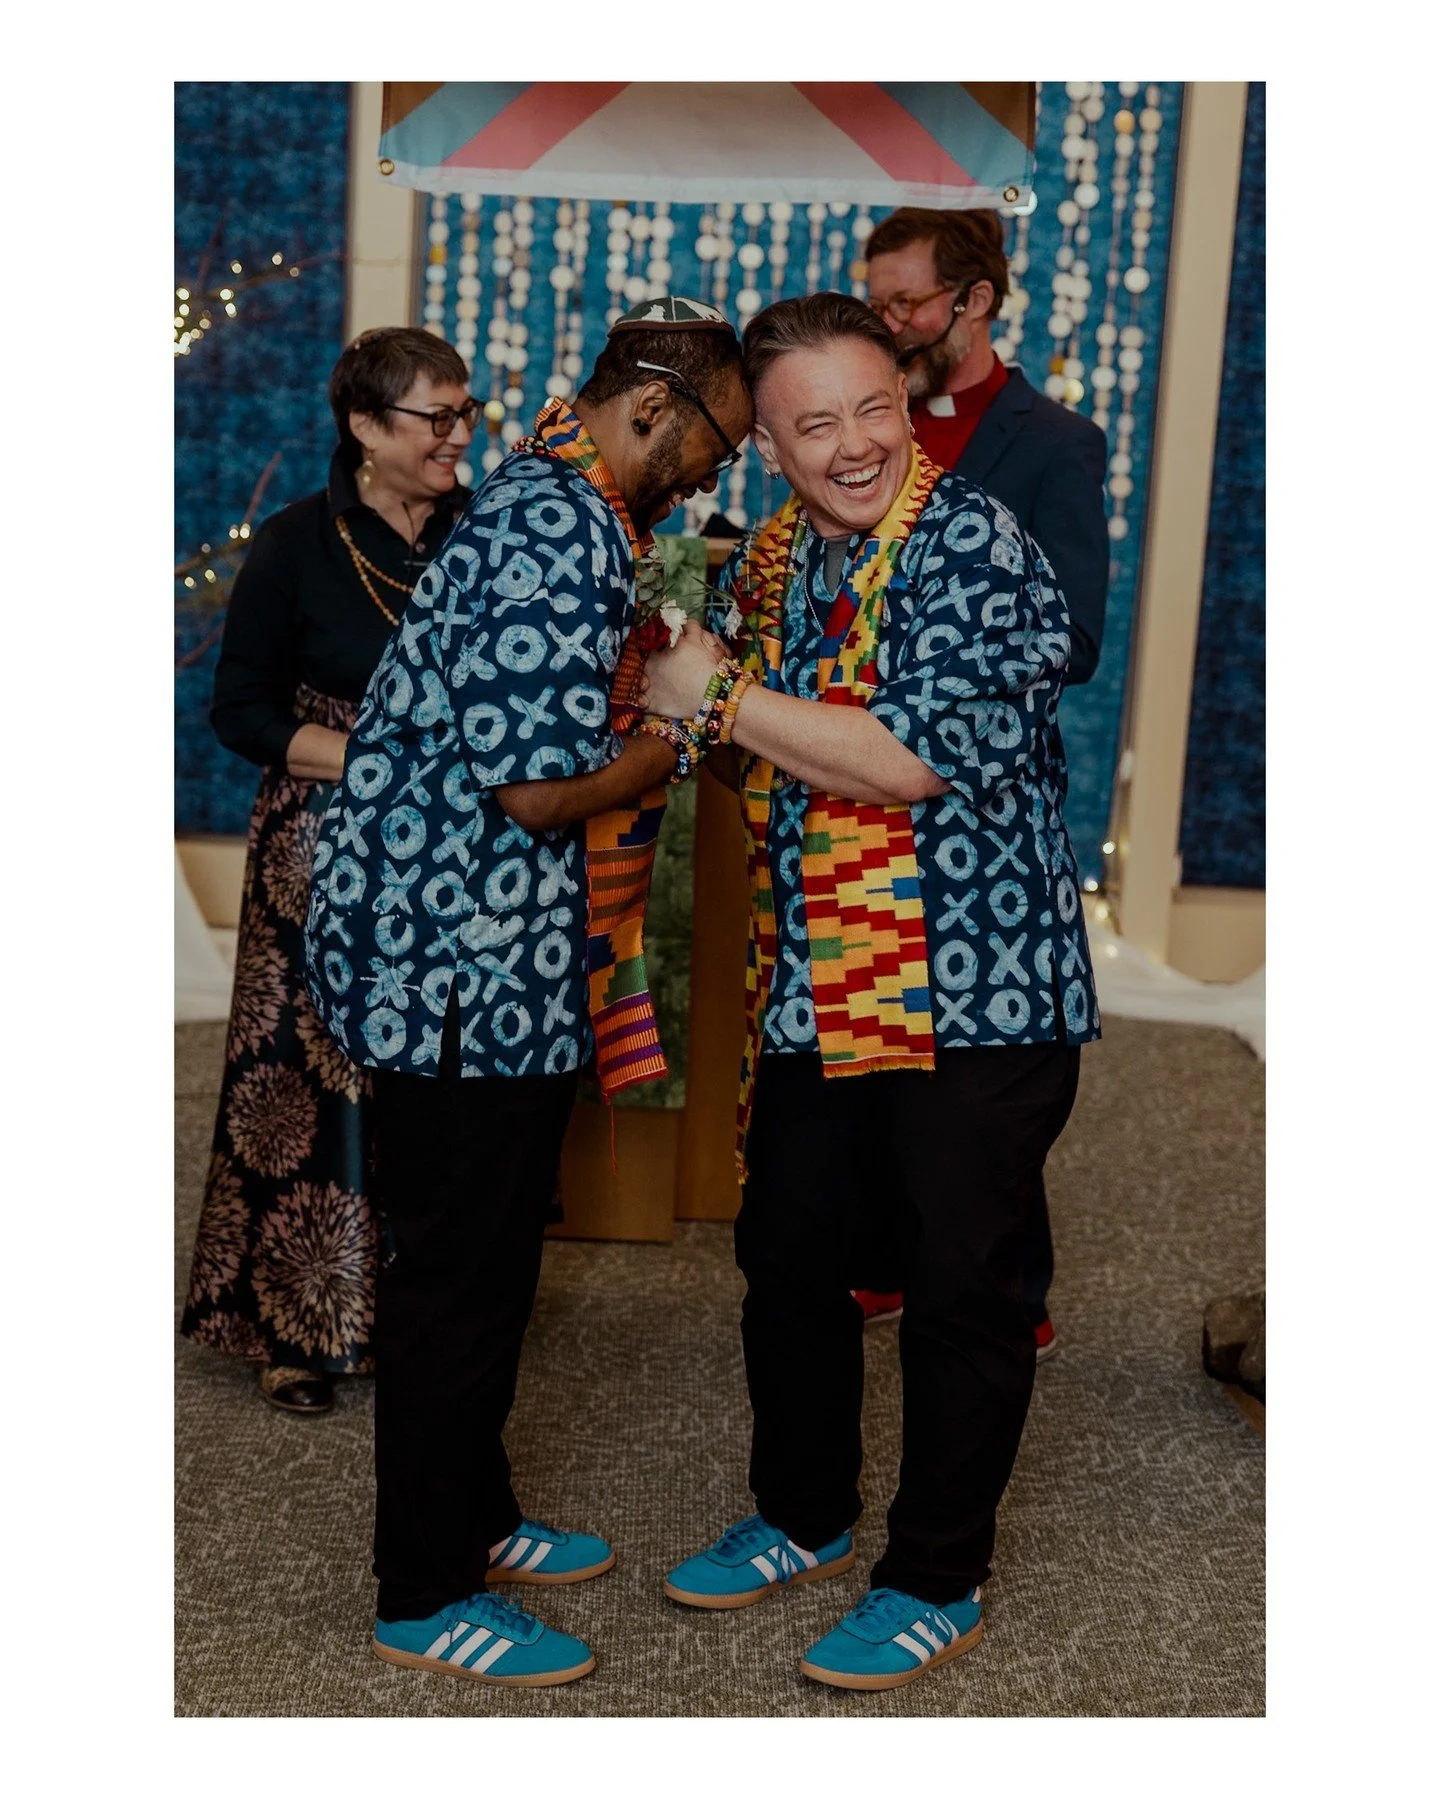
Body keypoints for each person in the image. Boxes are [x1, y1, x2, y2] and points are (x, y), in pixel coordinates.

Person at [647, 293, 1098, 1692]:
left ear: (908, 400)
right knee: (788, 1255)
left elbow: (902, 757)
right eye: (814, 422)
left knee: (964, 1285)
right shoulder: (772, 558)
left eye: (873, 408)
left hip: (980, 992)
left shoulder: (977, 543)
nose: (854, 445)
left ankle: (935, 1570)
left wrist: (710, 697)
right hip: (823, 976)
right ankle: (803, 1508)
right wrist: (682, 696)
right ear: (768, 444)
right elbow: (725, 730)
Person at [303, 296, 754, 1688]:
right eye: (717, 445)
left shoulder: (564, 508)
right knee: (459, 1280)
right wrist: (678, 738)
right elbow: (537, 787)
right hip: (453, 968)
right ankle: (422, 1589)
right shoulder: (553, 527)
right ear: (654, 408)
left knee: (497, 1263)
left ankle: (477, 1511)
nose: (715, 475)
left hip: (492, 958)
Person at [181, 327, 476, 1414]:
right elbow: (240, 711)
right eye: (434, 417)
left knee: (432, 1080)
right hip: (321, 837)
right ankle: (292, 1329)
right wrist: (379, 762)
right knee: (301, 1083)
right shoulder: (298, 542)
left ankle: (416, 1309)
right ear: (364, 424)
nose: (456, 437)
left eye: (465, 414)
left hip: (457, 841)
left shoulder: (479, 531)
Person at [854, 206, 1112, 1356]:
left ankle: (1015, 1277)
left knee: (985, 1058)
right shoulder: (865, 433)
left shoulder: (1054, 445)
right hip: (858, 788)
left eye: (908, 302)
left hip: (982, 803)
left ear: (977, 299)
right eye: (879, 303)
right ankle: (886, 1252)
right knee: (879, 1034)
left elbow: (1081, 635)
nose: (891, 324)